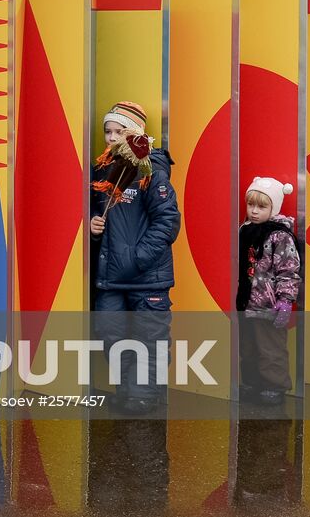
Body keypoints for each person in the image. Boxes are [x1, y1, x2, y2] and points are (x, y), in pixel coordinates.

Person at [89, 100, 181, 414]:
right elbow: (93, 211)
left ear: (137, 135)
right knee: (111, 333)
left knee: (148, 338)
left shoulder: (151, 171)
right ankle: (128, 390)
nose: (112, 137)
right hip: (111, 279)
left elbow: (167, 222)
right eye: (107, 131)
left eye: (120, 131)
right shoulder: (102, 170)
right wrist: (93, 226)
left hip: (146, 278)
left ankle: (142, 396)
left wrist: (137, 258)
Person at [237, 176, 301, 406]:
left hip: (269, 304)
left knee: (271, 348)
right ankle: (252, 382)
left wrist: (285, 300)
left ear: (274, 207)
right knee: (248, 346)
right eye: (250, 205)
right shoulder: (244, 230)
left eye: (261, 206)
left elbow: (289, 270)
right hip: (246, 302)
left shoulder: (280, 235)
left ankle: (274, 386)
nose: (254, 211)